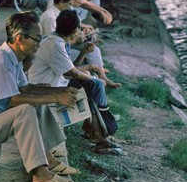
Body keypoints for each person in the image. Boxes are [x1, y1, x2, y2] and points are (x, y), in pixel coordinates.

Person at [0, 11, 79, 182]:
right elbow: (14, 100)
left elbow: (25, 89)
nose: (39, 44)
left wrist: (60, 90)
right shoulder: (2, 61)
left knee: (38, 98)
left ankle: (49, 158)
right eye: (36, 39)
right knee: (25, 109)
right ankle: (40, 175)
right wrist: (55, 97)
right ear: (19, 38)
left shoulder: (12, 56)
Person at [29, 9, 124, 155]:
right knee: (94, 84)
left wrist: (83, 53)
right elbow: (72, 73)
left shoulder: (57, 40)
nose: (80, 31)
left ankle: (97, 133)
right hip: (46, 87)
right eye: (79, 27)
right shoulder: (55, 44)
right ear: (74, 30)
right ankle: (101, 134)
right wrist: (94, 78)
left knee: (90, 84)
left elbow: (70, 68)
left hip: (57, 82)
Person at [40, 0, 120, 88]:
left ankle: (101, 75)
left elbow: (63, 35)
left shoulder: (59, 13)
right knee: (86, 57)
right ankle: (97, 75)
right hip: (52, 54)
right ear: (61, 2)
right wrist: (75, 40)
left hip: (62, 47)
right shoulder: (50, 17)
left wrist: (80, 34)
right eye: (70, 4)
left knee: (93, 49)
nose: (71, 7)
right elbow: (52, 44)